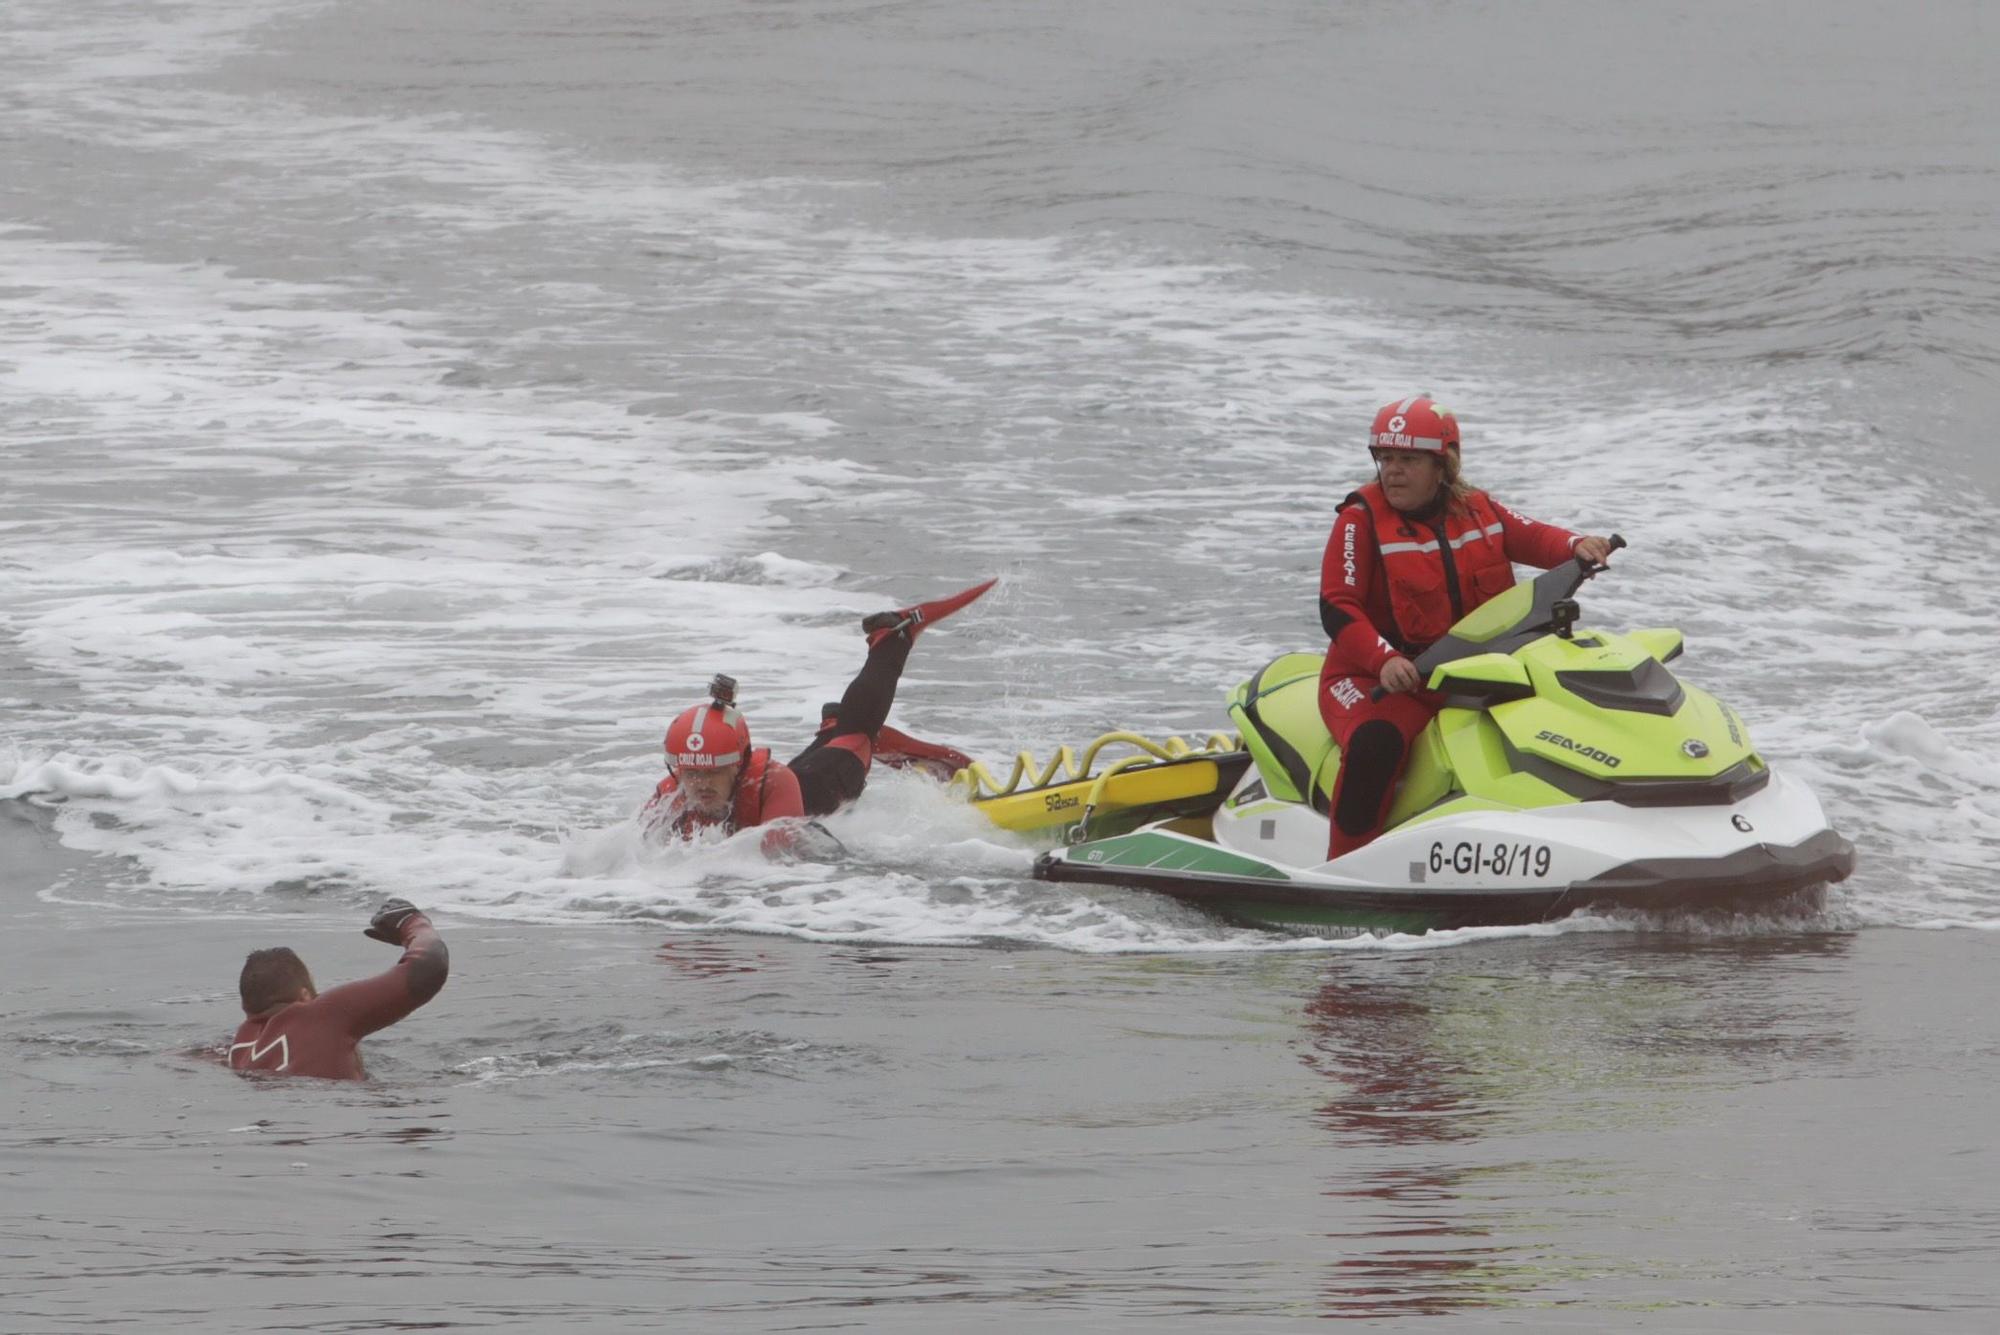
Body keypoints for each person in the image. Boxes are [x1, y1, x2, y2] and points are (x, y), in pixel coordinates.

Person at [1318, 397, 1612, 860]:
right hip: (1375, 679)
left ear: (1443, 465)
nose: (1392, 471)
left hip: (1470, 675)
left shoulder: (1477, 509)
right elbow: (1338, 608)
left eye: (1408, 459)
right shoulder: (1360, 520)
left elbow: (1535, 537)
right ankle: (1342, 869)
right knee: (1377, 744)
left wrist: (1579, 545)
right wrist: (1385, 659)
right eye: (1385, 458)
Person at [641, 580, 989, 844]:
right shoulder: (671, 793)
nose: (700, 783)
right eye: (690, 772)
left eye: (714, 771)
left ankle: (892, 636)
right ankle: (835, 726)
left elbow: (774, 865)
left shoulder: (776, 785)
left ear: (738, 763)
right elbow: (630, 851)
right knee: (841, 732)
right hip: (806, 769)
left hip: (831, 779)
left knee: (857, 735)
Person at [227, 898, 448, 1080]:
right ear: (304, 996)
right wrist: (410, 922)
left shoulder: (236, 1051)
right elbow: (429, 968)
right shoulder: (321, 1015)